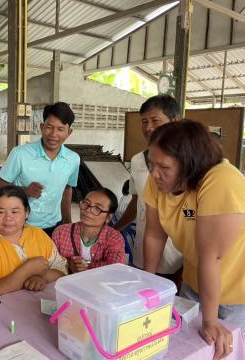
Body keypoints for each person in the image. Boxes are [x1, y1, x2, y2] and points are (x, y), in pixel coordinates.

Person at [143, 120, 245, 360]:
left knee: (220, 349)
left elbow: (212, 256)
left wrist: (209, 320)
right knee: (184, 347)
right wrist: (147, 288)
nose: (154, 174)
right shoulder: (158, 180)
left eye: (164, 167)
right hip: (195, 284)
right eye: (151, 164)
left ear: (190, 165)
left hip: (236, 295)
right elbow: (154, 235)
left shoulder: (221, 179)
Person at [114, 95, 182, 280]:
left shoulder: (188, 161)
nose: (149, 127)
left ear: (174, 121)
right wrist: (116, 227)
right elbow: (137, 201)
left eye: (155, 120)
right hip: (143, 249)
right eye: (144, 121)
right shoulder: (137, 160)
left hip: (178, 255)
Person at [0, 102, 80, 237]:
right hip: (20, 227)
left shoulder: (73, 159)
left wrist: (67, 221)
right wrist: (24, 190)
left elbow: (67, 189)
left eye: (60, 129)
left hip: (54, 227)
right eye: (49, 127)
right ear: (42, 127)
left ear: (69, 132)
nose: (53, 134)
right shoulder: (20, 153)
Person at [0, 186, 67, 295]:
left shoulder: (38, 234)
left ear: (27, 213)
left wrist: (44, 278)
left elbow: (62, 271)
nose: (8, 218)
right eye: (0, 212)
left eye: (15, 212)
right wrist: (27, 269)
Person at [52, 188, 125, 273]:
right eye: (86, 203)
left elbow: (116, 268)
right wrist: (68, 265)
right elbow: (51, 263)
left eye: (97, 208)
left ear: (108, 217)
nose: (88, 210)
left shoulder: (114, 237)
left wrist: (86, 265)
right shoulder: (60, 233)